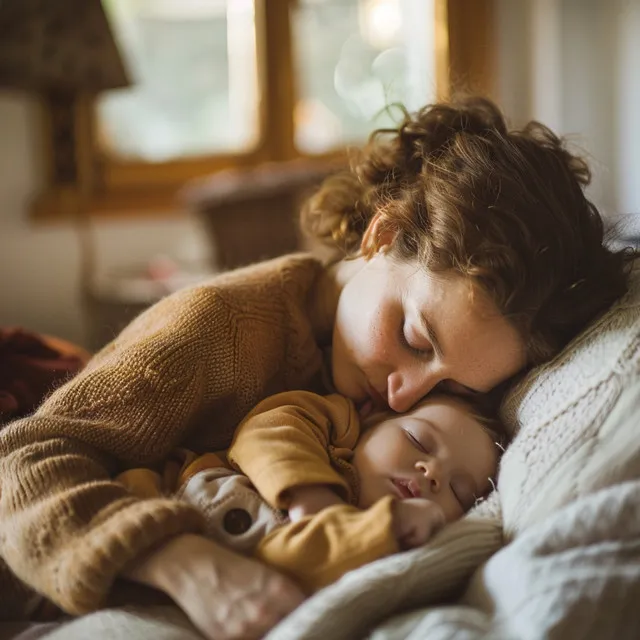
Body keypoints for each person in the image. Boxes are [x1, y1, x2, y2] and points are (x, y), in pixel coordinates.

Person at [0, 96, 632, 640]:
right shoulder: (217, 330)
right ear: (381, 238)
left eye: (455, 387)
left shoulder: (416, 398)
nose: (406, 396)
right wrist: (188, 564)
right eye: (414, 337)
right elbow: (22, 462)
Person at [115, 390, 501, 594]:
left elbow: (295, 561)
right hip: (151, 501)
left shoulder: (382, 546)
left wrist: (391, 527)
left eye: (458, 490)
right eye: (418, 440)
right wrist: (314, 499)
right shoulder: (332, 425)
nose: (432, 471)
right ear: (374, 418)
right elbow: (267, 432)